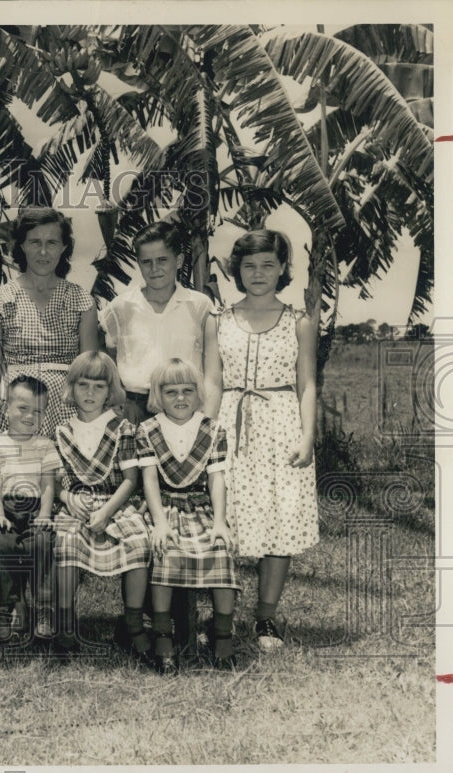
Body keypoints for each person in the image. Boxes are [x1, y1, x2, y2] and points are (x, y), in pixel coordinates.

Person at [203, 229, 318, 651]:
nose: (258, 273)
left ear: (283, 268)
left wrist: (307, 437)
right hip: (230, 427)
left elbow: (307, 383)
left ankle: (266, 619)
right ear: (237, 269)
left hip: (281, 425)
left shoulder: (299, 321)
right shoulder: (218, 319)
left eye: (268, 264)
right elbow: (212, 381)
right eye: (249, 265)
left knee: (279, 522)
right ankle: (224, 618)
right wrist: (207, 434)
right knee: (226, 517)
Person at [136, 359, 238, 673]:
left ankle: (222, 634)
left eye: (187, 391)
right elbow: (150, 480)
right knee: (166, 551)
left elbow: (217, 478)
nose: (180, 398)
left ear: (198, 393)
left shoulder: (212, 429)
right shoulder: (148, 430)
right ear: (158, 395)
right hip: (165, 507)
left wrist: (220, 521)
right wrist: (161, 523)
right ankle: (163, 636)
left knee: (220, 550)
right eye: (171, 392)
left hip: (201, 507)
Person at [52, 352, 152, 661]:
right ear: (72, 387)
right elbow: (55, 479)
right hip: (77, 505)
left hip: (115, 504)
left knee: (138, 543)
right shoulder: (62, 430)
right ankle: (65, 622)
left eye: (99, 386)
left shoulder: (123, 428)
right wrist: (67, 498)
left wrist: (106, 511)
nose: (90, 393)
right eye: (83, 385)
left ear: (110, 391)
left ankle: (133, 622)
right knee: (66, 543)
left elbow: (131, 480)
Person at [0, 207, 98, 440]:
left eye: (52, 243)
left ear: (64, 247)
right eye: (34, 242)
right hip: (18, 409)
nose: (43, 252)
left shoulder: (83, 300)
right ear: (22, 245)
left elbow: (90, 371)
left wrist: (90, 424)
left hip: (68, 411)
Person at [99, 220, 213, 423]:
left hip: (184, 406)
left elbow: (211, 362)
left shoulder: (200, 305)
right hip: (135, 409)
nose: (154, 269)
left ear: (178, 261)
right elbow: (108, 352)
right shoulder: (121, 306)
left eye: (162, 260)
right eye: (146, 262)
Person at [0, 376, 61, 645]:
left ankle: (43, 611)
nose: (29, 416)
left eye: (37, 411)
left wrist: (45, 516)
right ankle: (2, 611)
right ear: (6, 409)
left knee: (41, 544)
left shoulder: (45, 445)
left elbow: (48, 483)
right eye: (22, 408)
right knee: (2, 544)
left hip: (36, 509)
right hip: (6, 507)